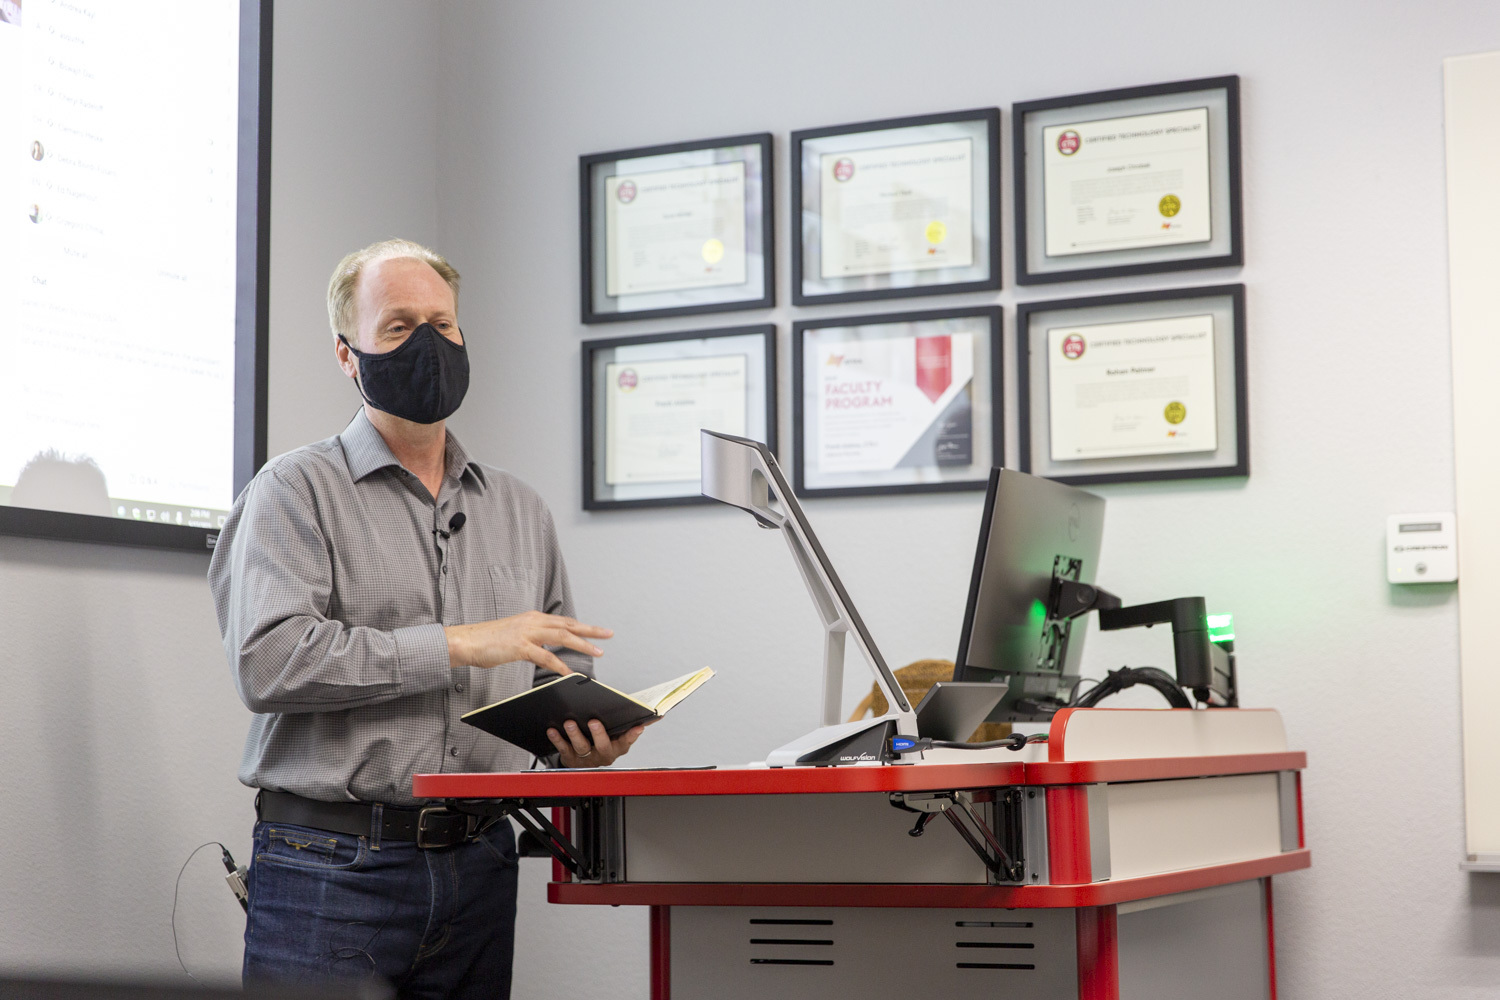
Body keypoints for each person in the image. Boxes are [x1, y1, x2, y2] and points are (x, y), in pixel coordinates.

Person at [208, 238, 643, 997]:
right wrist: (458, 646)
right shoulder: (293, 491)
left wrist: (583, 738)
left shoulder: (518, 508)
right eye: (400, 327)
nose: (430, 345)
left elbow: (558, 667)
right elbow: (270, 662)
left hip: (481, 863)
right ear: (348, 355)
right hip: (331, 867)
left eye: (443, 323)